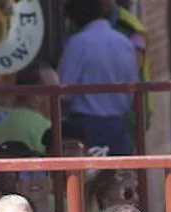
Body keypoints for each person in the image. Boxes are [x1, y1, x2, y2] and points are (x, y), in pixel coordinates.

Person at [58, 0, 139, 155]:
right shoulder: (125, 43)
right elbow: (133, 86)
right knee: (119, 176)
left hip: (85, 127)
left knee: (87, 177)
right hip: (118, 126)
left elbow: (64, 90)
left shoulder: (77, 43)